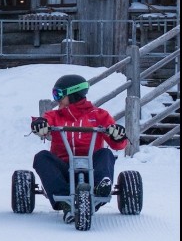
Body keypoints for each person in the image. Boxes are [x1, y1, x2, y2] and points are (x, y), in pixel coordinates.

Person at [30, 74, 127, 223]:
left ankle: (101, 186)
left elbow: (117, 145)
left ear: (73, 94)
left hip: (92, 169)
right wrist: (40, 125)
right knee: (42, 157)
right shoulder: (54, 116)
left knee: (106, 153)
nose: (57, 100)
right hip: (62, 169)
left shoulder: (99, 115)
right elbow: (44, 122)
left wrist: (117, 135)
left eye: (59, 95)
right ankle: (64, 201)